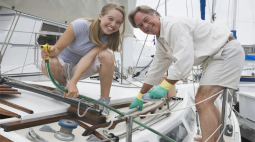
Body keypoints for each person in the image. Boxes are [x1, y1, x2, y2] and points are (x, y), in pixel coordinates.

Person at [128, 5, 244, 142]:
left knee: (202, 101)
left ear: (156, 15)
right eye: (140, 25)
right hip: (215, 57)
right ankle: (216, 139)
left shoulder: (173, 26)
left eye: (146, 20)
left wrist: (164, 86)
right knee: (207, 101)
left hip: (226, 52)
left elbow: (185, 60)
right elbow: (156, 69)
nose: (145, 26)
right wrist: (140, 95)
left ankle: (210, 140)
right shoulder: (161, 40)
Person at [40, 3, 126, 116]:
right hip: (62, 66)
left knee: (108, 56)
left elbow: (88, 58)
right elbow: (57, 49)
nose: (113, 24)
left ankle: (104, 101)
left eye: (118, 22)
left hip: (80, 68)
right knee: (49, 63)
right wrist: (50, 51)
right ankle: (62, 84)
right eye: (110, 19)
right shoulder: (80, 25)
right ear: (100, 16)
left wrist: (73, 82)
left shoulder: (109, 38)